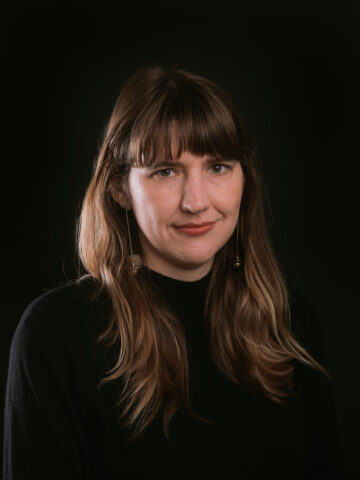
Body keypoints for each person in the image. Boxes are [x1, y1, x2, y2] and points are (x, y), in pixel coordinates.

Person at [3, 66, 343, 479]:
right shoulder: (56, 335)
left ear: (244, 178)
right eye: (166, 171)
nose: (196, 202)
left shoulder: (290, 324)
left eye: (217, 167)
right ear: (119, 188)